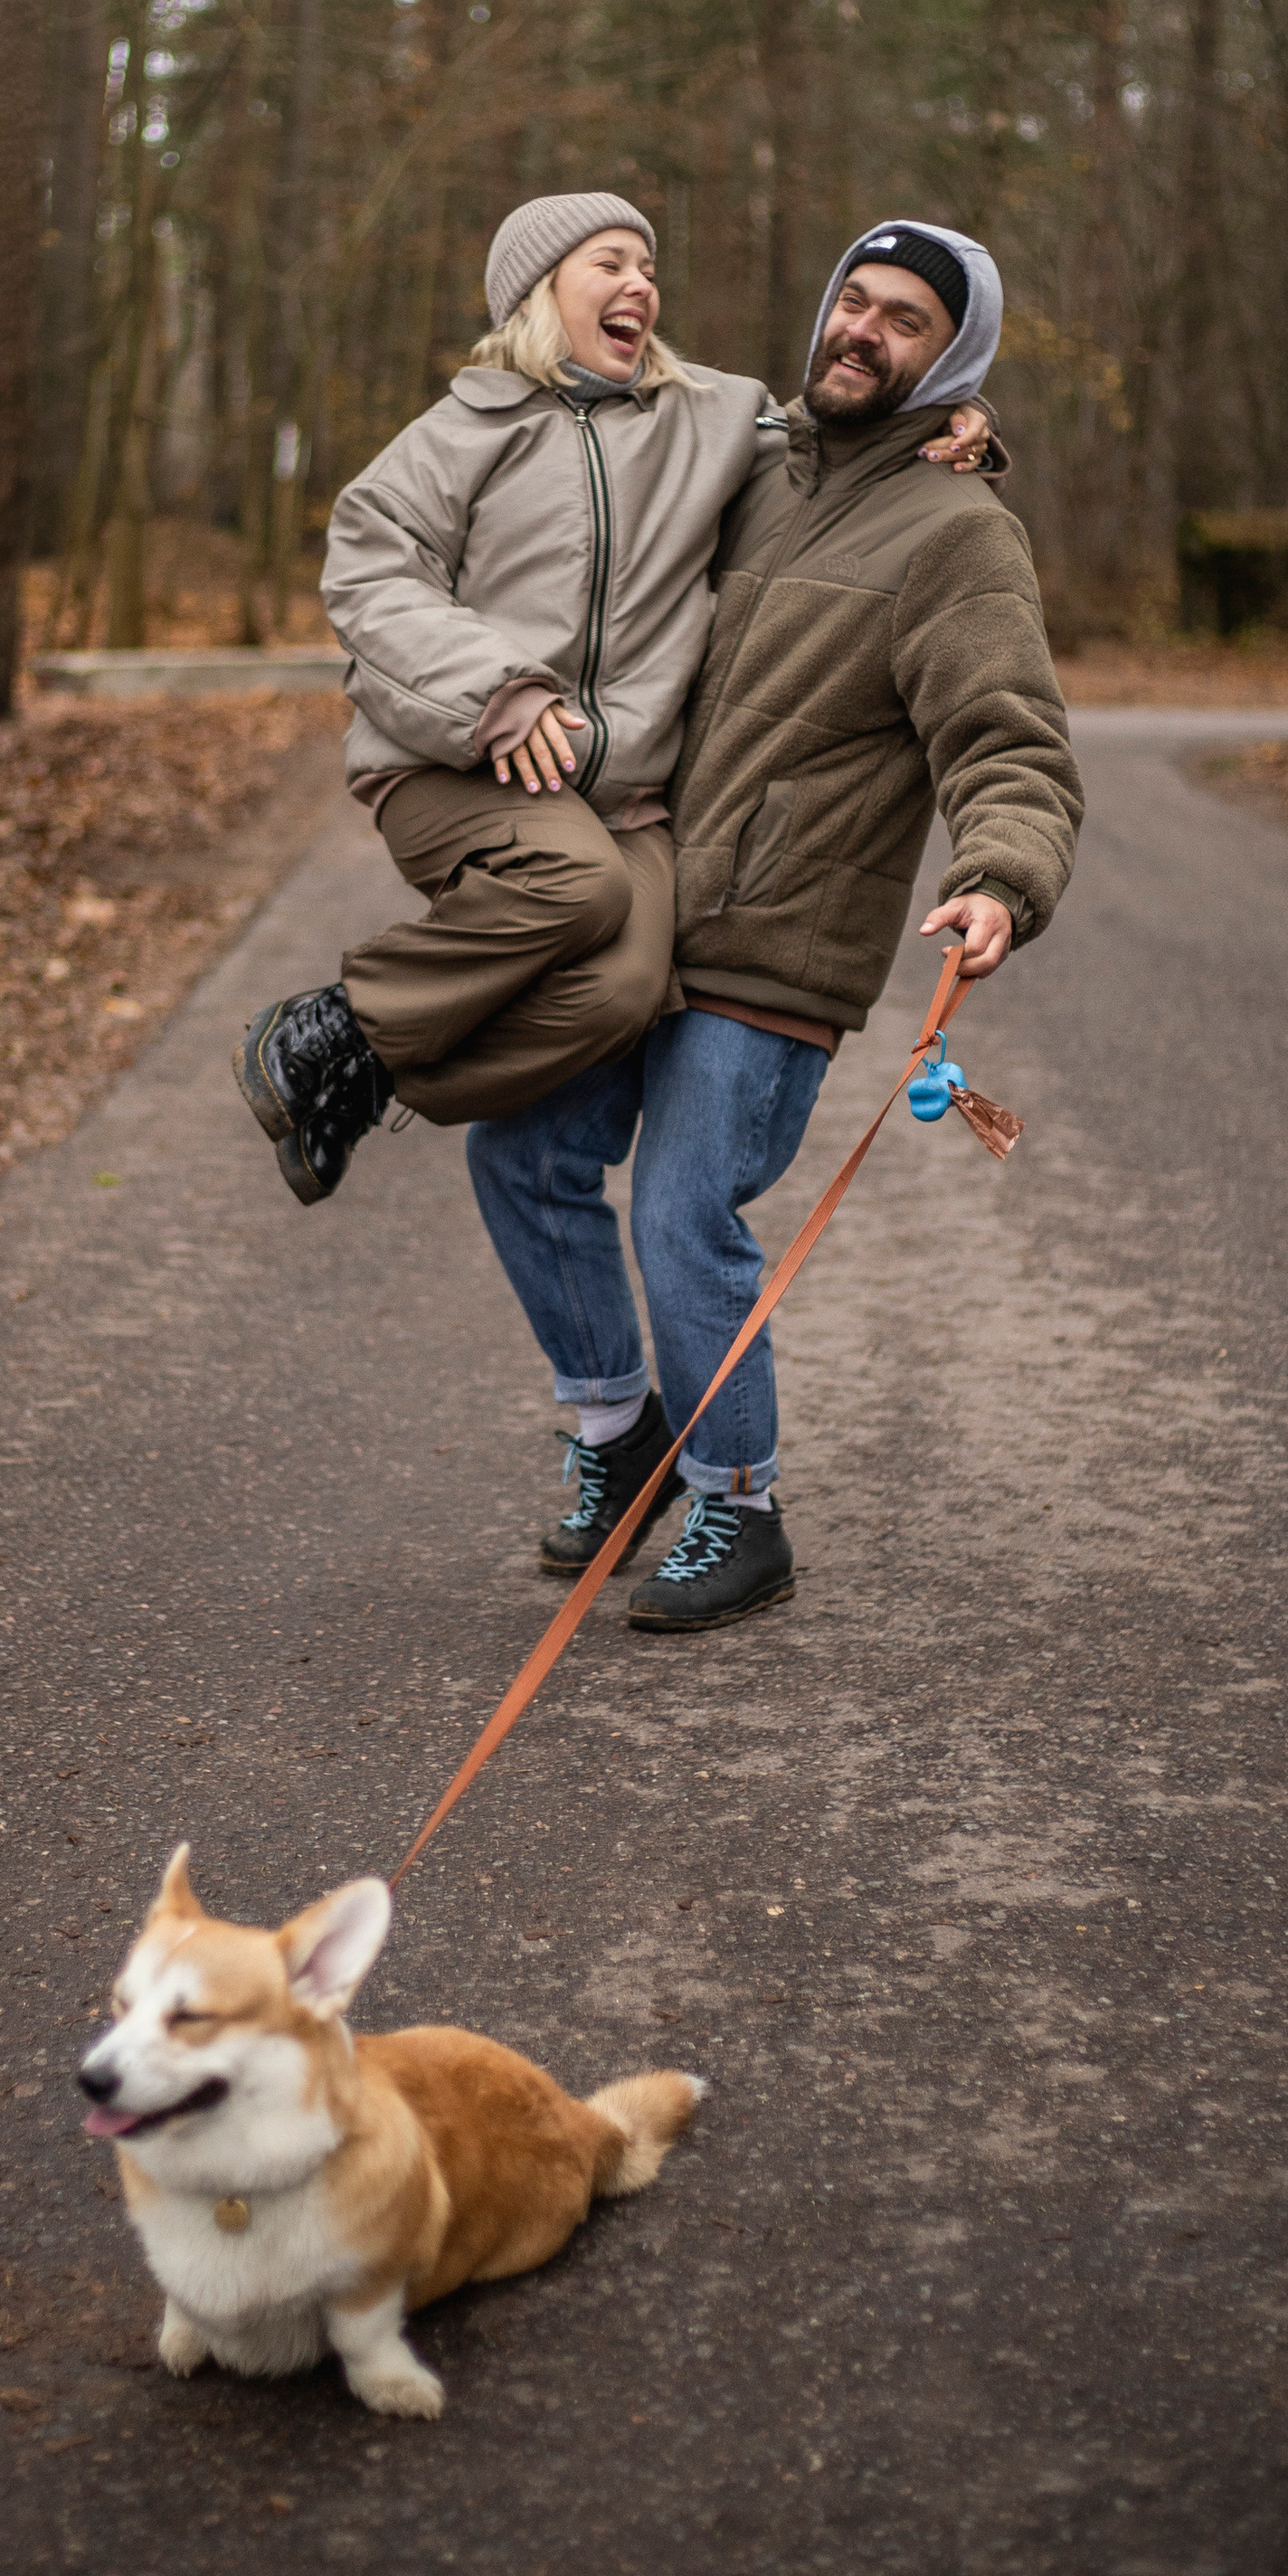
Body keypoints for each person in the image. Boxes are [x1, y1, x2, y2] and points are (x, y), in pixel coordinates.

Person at [465, 216, 1084, 1632]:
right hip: (642, 910)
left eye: (906, 323)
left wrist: (1002, 876)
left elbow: (1013, 746)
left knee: (686, 1209)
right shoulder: (744, 466)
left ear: (954, 359)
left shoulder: (959, 533)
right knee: (523, 1148)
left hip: (778, 947)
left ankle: (738, 1513)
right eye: (853, 302)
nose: (863, 331)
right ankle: (623, 1436)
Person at [230, 189, 1005, 1203]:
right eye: (609, 263)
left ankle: (362, 1068)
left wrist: (958, 428)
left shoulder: (711, 418)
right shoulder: (458, 433)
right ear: (540, 289)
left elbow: (843, 446)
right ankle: (337, 1019)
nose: (639, 284)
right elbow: (368, 575)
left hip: (619, 792)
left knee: (626, 993)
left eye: (648, 269)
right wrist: (497, 694)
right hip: (457, 762)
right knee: (578, 888)